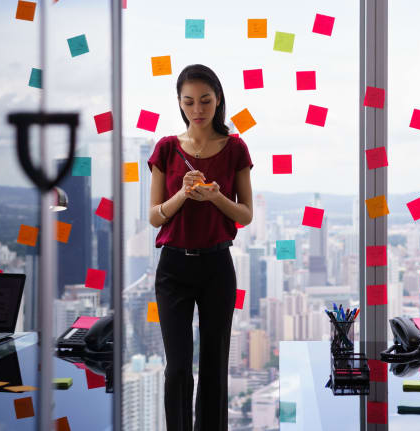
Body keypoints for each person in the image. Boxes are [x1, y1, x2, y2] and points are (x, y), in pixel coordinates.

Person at [147, 64, 253, 430]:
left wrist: (215, 196)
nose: (198, 109)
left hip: (216, 269)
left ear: (218, 100)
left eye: (205, 101)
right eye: (189, 101)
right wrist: (183, 193)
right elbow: (155, 217)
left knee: (213, 365)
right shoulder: (166, 148)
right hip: (173, 269)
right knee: (177, 368)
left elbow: (245, 213)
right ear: (179, 103)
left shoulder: (235, 147)